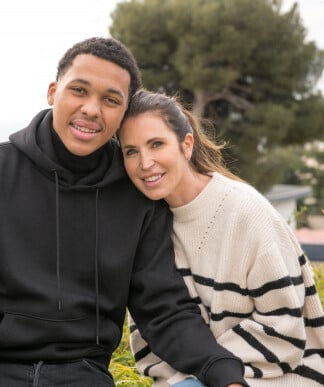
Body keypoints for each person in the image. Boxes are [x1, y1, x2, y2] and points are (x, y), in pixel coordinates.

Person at [0, 37, 247, 387]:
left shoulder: (136, 195)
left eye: (110, 100)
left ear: (123, 114)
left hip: (83, 374)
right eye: (79, 91)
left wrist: (222, 372)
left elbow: (163, 309)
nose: (91, 109)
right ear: (53, 91)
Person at [117, 89, 324, 387]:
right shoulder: (147, 226)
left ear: (186, 145)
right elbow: (153, 333)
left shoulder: (246, 212)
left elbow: (284, 327)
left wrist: (217, 373)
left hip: (280, 376)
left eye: (156, 144)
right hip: (197, 378)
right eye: (131, 151)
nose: (145, 162)